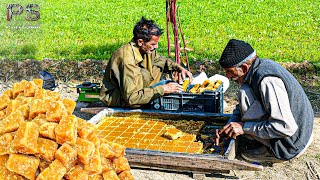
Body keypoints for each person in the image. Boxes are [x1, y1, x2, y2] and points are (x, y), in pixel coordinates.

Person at [218, 39, 314, 163]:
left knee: (244, 94)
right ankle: (259, 139)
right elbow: (240, 107)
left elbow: (285, 127)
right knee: (244, 92)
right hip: (295, 132)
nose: (228, 76)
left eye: (230, 72)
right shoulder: (257, 68)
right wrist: (230, 124)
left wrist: (244, 128)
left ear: (244, 67)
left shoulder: (267, 80)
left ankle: (271, 149)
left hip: (292, 143)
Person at [100, 17, 192, 108]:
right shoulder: (127, 60)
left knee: (158, 66)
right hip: (120, 98)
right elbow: (132, 98)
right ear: (140, 42)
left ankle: (148, 95)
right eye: (153, 44)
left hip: (139, 89)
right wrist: (163, 89)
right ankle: (147, 99)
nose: (156, 46)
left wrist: (179, 68)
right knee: (154, 84)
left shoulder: (146, 49)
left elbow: (161, 60)